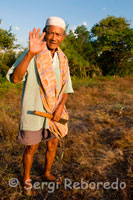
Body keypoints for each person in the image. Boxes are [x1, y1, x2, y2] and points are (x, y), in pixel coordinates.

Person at [6, 16, 74, 196]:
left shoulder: (62, 58)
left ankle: (46, 173)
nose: (53, 37)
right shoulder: (32, 51)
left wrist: (60, 107)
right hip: (34, 111)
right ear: (44, 33)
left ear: (63, 37)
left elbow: (67, 86)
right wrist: (30, 54)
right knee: (32, 148)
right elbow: (15, 78)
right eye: (50, 33)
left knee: (52, 145)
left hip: (55, 112)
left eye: (57, 34)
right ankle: (26, 179)